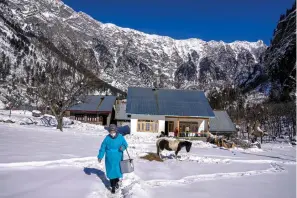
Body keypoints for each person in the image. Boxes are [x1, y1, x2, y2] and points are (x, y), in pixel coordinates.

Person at [97, 124, 128, 194]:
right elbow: (102, 148)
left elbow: (125, 144)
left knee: (117, 172)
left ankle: (116, 181)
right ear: (109, 131)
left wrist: (122, 147)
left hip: (118, 158)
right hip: (109, 159)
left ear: (116, 131)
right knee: (111, 173)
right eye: (110, 131)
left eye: (113, 131)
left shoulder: (120, 137)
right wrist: (100, 156)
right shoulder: (107, 138)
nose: (112, 133)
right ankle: (113, 187)